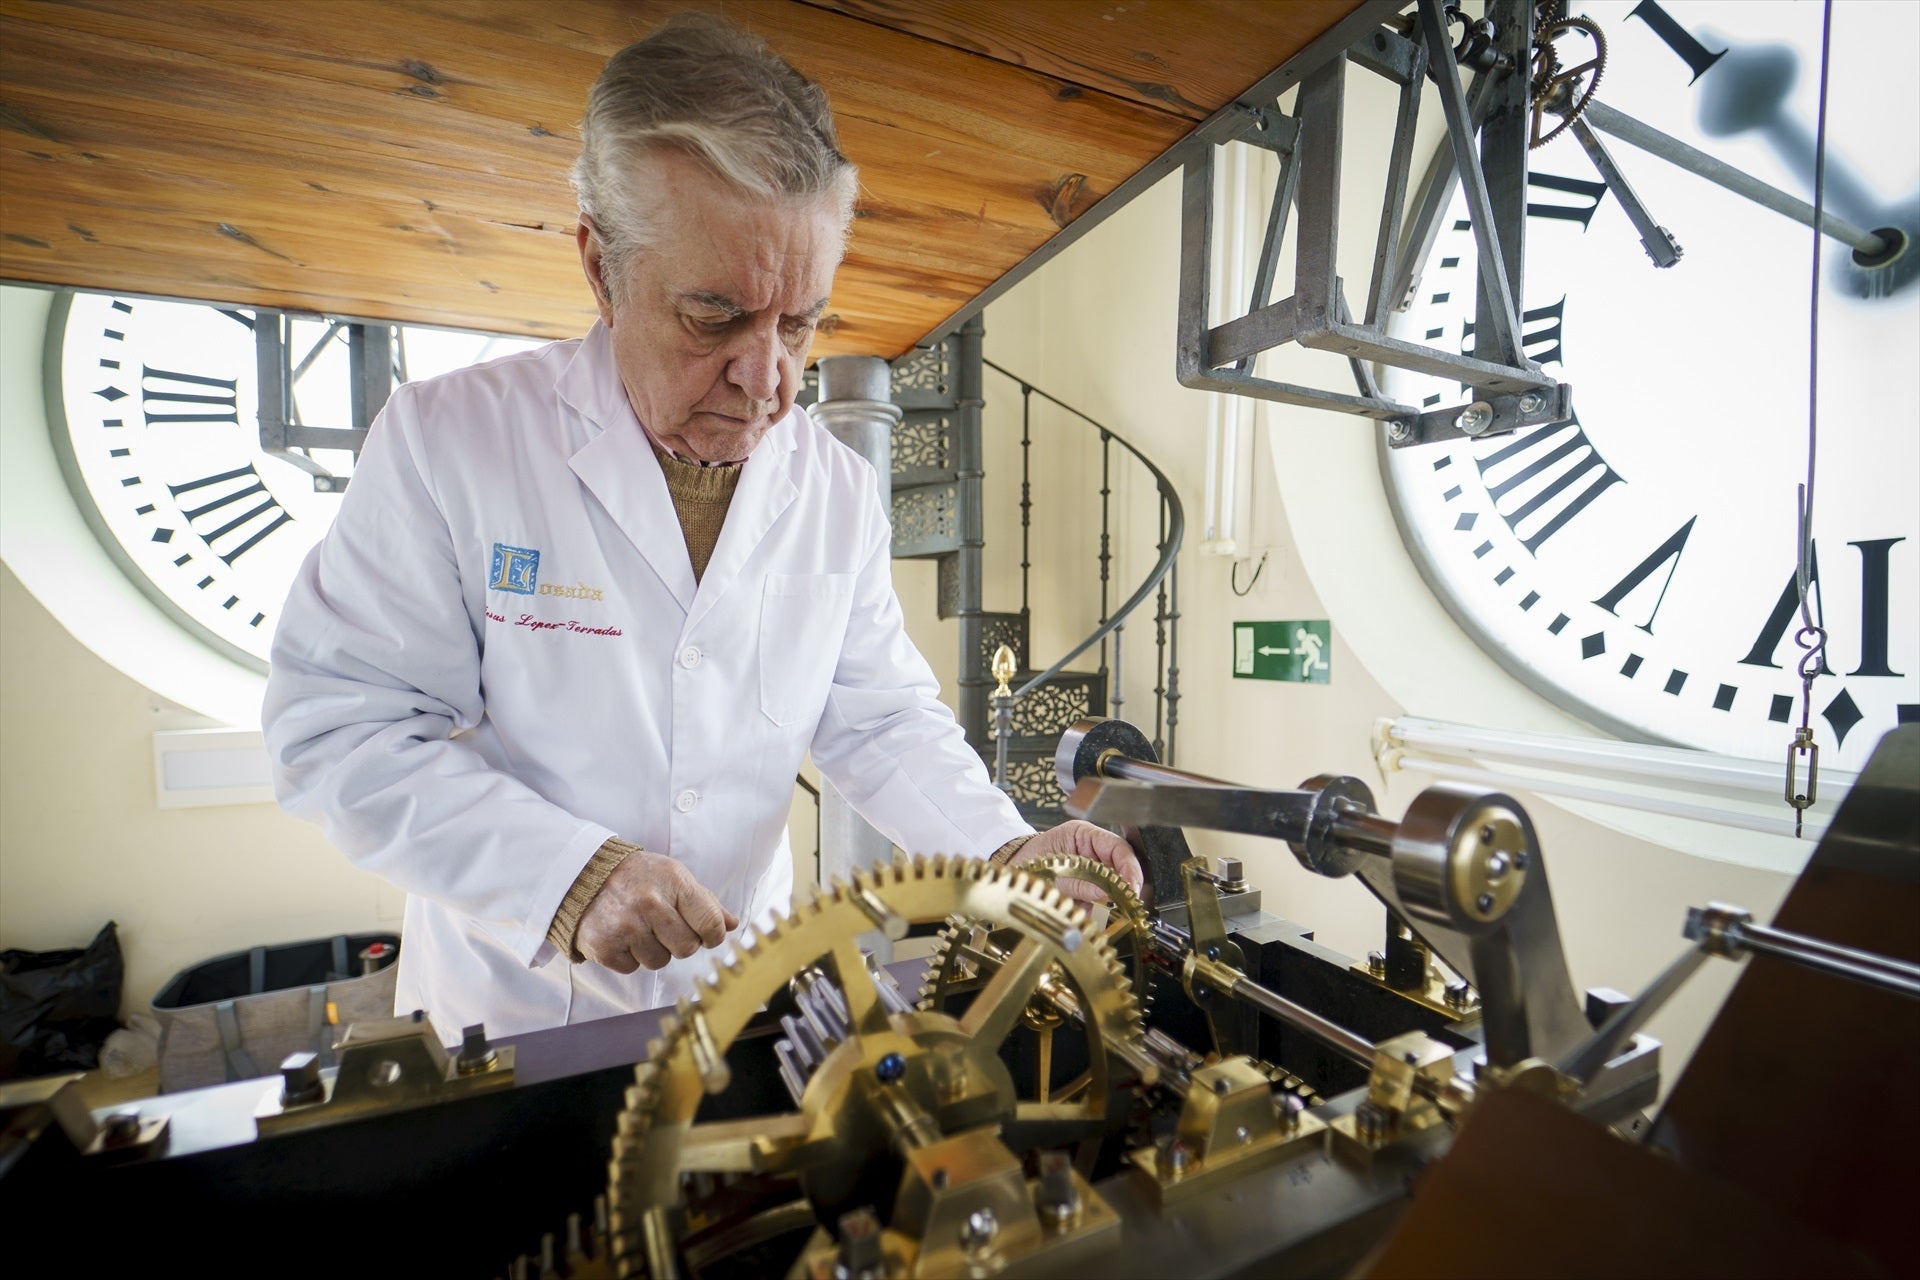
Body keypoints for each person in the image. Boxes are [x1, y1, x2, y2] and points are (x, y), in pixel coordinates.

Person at [261, 13, 1142, 1045]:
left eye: (800, 323)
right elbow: (340, 732)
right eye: (714, 317)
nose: (768, 380)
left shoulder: (835, 488)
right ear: (602, 269)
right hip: (517, 1010)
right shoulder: (448, 442)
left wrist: (1005, 847)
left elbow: (879, 721)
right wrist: (567, 877)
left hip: (743, 1000)